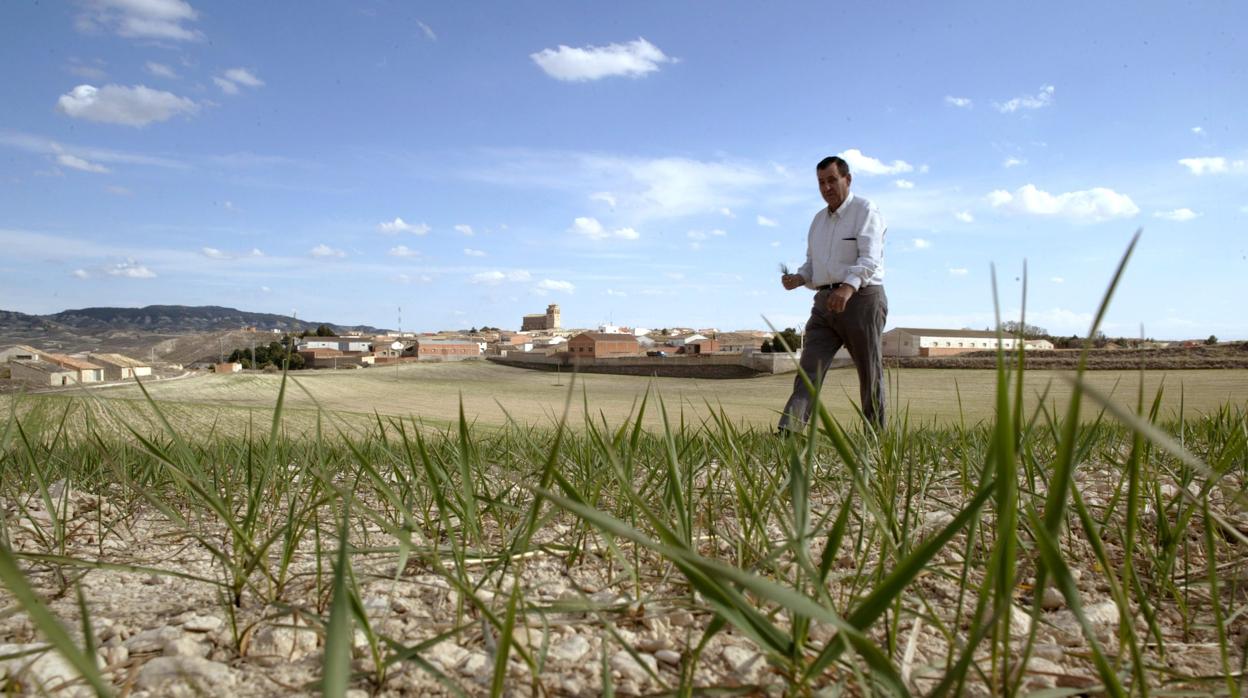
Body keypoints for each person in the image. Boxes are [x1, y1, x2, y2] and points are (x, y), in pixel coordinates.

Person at [778, 155, 888, 432]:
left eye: (831, 180)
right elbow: (813, 263)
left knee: (869, 371)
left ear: (847, 179)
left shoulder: (866, 210)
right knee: (808, 369)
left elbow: (870, 258)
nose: (826, 187)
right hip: (824, 304)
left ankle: (874, 436)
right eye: (821, 182)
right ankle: (789, 431)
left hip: (861, 299)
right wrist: (800, 277)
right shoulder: (818, 221)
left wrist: (848, 287)